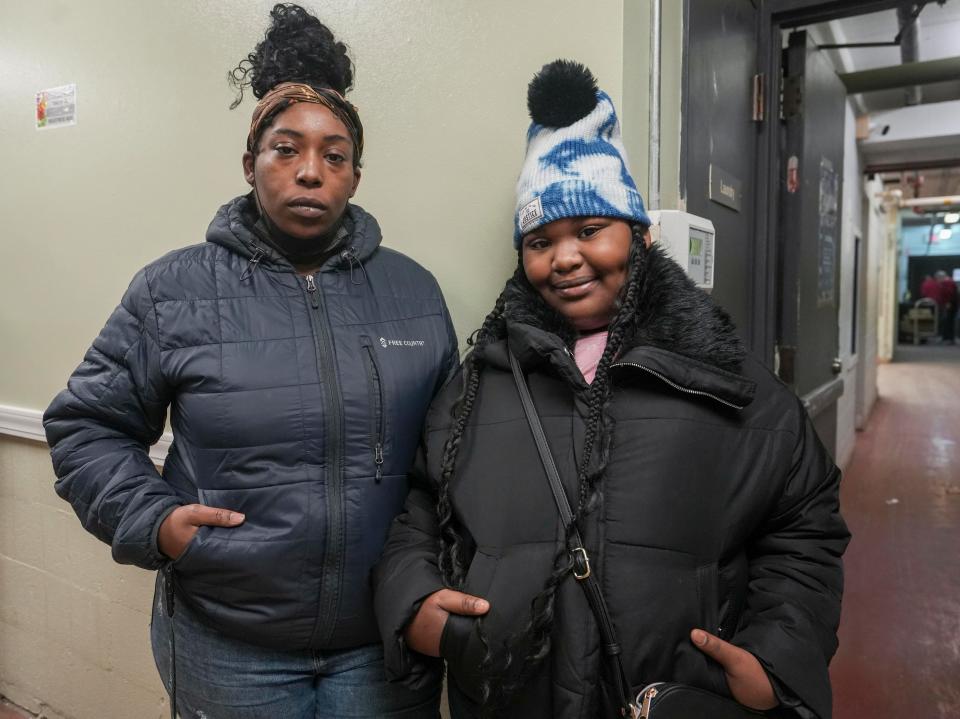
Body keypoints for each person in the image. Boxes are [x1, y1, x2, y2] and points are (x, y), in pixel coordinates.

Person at [373, 61, 849, 719]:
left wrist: (777, 657)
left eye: (588, 230)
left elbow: (804, 526)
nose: (564, 258)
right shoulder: (480, 381)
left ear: (642, 235)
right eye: (540, 240)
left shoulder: (725, 376)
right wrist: (418, 603)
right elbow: (422, 509)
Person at [43, 4, 454, 717]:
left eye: (334, 155)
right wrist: (157, 522)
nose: (309, 172)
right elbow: (86, 427)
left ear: (356, 176)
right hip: (227, 647)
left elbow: (451, 457)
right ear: (249, 162)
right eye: (285, 148)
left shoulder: (413, 293)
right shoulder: (172, 289)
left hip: (377, 646)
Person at [936, 270, 957, 343]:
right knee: (947, 321)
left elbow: (949, 293)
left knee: (949, 321)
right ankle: (946, 337)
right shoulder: (948, 282)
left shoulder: (948, 283)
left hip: (950, 304)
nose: (938, 280)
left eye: (938, 278)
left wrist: (948, 303)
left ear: (941, 277)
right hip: (949, 304)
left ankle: (950, 339)